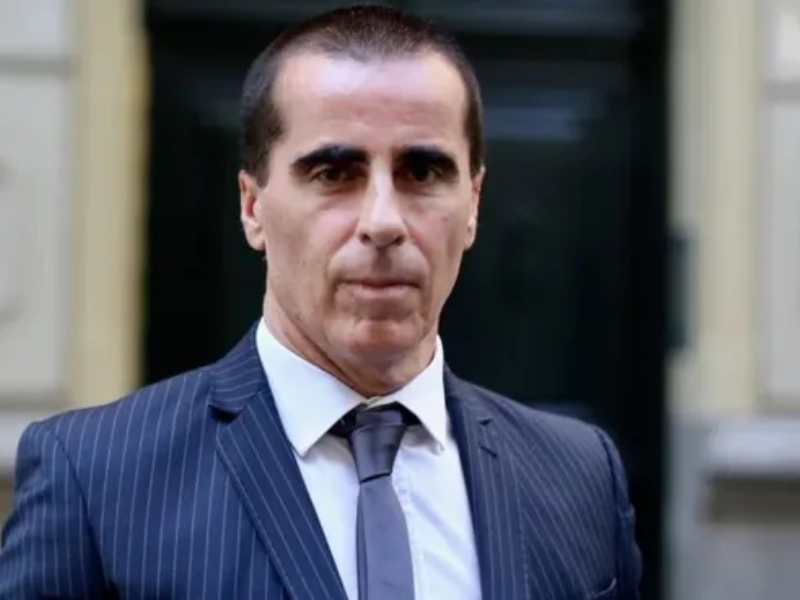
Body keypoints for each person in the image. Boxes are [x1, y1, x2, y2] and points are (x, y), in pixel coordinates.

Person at [0, 4, 641, 599]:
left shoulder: (579, 476)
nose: (383, 221)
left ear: (473, 203)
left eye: (422, 172)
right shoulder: (98, 478)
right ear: (253, 206)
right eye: (335, 173)